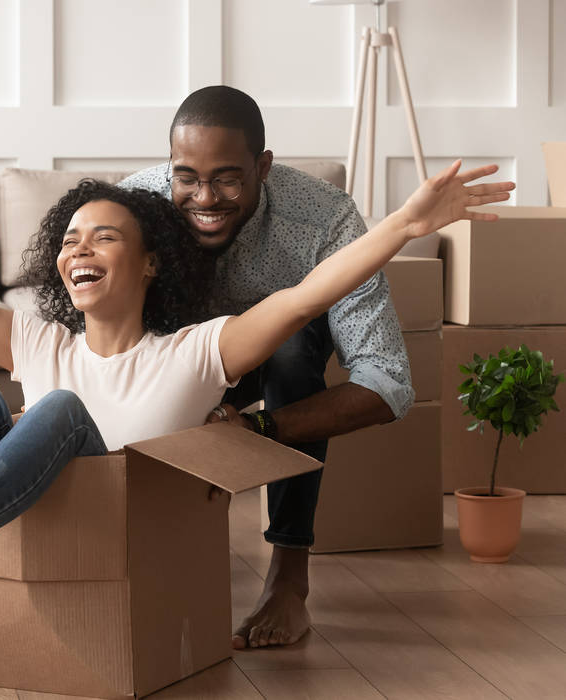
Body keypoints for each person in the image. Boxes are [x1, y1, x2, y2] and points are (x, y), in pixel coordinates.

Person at [0, 130, 512, 613]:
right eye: (70, 239)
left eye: (103, 238)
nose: (79, 249)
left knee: (57, 413)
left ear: (149, 265)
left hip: (126, 532)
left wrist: (406, 223)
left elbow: (311, 293)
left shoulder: (195, 352)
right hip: (40, 517)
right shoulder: (40, 343)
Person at [119, 85, 434, 649]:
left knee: (291, 353)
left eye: (227, 178)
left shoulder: (324, 218)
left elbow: (388, 383)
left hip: (275, 366)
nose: (203, 198)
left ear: (262, 166)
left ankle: (290, 576)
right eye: (185, 176)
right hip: (172, 356)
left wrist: (260, 429)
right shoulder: (136, 206)